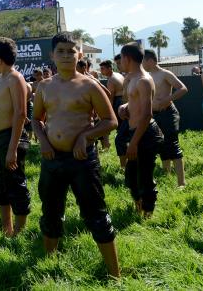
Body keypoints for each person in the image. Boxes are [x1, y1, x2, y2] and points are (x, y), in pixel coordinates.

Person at [33, 32, 120, 277]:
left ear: (79, 54)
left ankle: (115, 274)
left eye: (71, 51)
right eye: (60, 51)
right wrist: (43, 142)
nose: (66, 55)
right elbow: (36, 120)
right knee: (50, 212)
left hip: (82, 161)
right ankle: (49, 267)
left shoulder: (89, 85)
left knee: (96, 214)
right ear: (52, 55)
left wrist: (85, 136)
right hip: (52, 160)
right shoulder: (44, 86)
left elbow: (110, 120)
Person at [0, 38, 30, 237]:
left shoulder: (15, 78)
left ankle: (20, 232)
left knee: (15, 184)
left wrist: (13, 148)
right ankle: (7, 229)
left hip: (10, 138)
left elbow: (20, 113)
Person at [117, 42, 164, 218]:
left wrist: (133, 143)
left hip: (145, 134)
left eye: (121, 58)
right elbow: (136, 102)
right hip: (135, 132)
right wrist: (125, 106)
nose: (119, 62)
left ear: (127, 58)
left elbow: (146, 114)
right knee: (131, 177)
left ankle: (148, 214)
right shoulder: (133, 78)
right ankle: (139, 206)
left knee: (145, 177)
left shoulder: (144, 80)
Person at [142, 49, 188, 187]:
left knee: (172, 145)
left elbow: (183, 88)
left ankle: (182, 183)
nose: (141, 63)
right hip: (154, 115)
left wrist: (168, 99)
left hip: (168, 113)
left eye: (143, 60)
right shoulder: (146, 76)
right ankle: (167, 176)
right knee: (161, 146)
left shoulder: (165, 74)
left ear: (150, 60)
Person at [100, 60, 126, 166]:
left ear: (109, 68)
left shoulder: (111, 80)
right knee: (123, 132)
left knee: (121, 135)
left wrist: (106, 112)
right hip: (125, 102)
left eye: (103, 68)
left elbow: (110, 99)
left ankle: (124, 164)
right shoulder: (119, 75)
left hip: (119, 103)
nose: (101, 71)